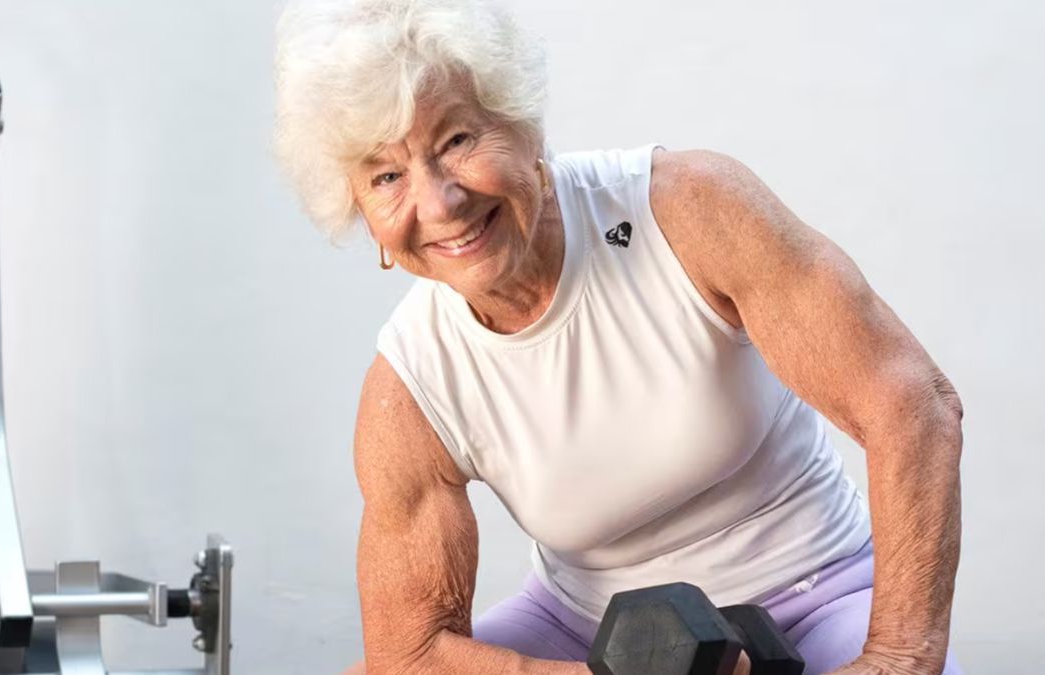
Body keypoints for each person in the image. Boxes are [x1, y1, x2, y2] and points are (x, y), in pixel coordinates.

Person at [273, 1, 964, 673]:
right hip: (593, 633)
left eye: (455, 141)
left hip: (816, 593)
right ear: (360, 211)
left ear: (522, 126)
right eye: (387, 176)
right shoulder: (412, 384)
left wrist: (898, 658)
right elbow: (411, 651)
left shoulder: (688, 209)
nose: (439, 203)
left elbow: (913, 405)